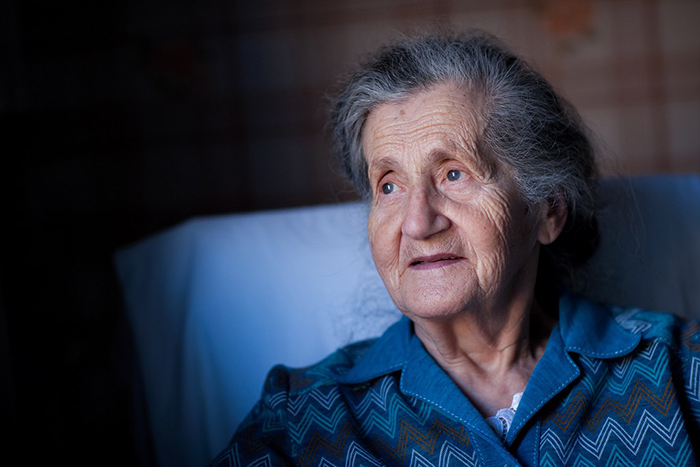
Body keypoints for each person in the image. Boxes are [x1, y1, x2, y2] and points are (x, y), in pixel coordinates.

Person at [210, 32, 700, 466]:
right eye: (388, 186)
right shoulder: (303, 419)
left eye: (454, 174)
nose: (418, 222)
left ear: (548, 211)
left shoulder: (679, 369)